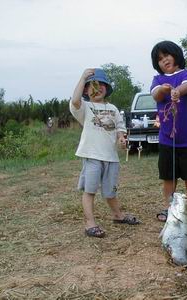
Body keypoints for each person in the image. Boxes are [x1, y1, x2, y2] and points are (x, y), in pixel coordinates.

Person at [70, 68, 140, 238]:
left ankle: (118, 215)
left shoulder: (113, 108)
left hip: (111, 158)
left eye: (102, 84)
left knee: (110, 191)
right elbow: (75, 100)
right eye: (93, 84)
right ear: (86, 89)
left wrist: (122, 139)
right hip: (92, 156)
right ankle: (90, 223)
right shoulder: (85, 107)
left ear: (107, 88)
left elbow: (119, 128)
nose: (98, 87)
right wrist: (83, 77)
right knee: (90, 190)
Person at [150, 40, 187, 222]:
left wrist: (178, 91)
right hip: (168, 138)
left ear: (176, 55)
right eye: (159, 59)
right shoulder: (157, 80)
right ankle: (168, 206)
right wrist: (163, 90)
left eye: (167, 55)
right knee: (169, 176)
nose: (164, 60)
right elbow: (155, 94)